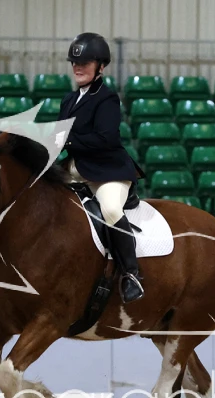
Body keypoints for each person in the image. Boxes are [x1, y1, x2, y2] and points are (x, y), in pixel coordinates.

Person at [58, 32, 146, 304]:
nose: (78, 67)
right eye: (75, 62)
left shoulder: (107, 98)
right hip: (76, 168)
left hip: (108, 171)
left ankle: (132, 274)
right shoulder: (69, 100)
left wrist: (67, 138)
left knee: (109, 209)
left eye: (85, 62)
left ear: (101, 66)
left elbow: (105, 138)